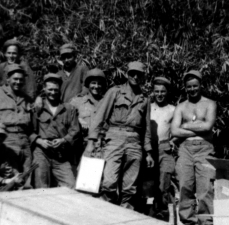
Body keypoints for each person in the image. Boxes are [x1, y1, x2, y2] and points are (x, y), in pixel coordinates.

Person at [86, 61, 154, 208]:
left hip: (135, 141)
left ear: (143, 77)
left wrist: (148, 152)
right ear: (127, 74)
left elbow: (146, 128)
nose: (135, 77)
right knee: (109, 182)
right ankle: (106, 213)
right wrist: (91, 143)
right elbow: (100, 117)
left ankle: (124, 215)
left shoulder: (145, 99)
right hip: (115, 138)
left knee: (130, 187)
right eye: (132, 73)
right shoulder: (114, 92)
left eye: (139, 74)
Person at [171, 70, 217, 225]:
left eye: (195, 86)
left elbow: (208, 127)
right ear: (185, 88)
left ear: (201, 85)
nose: (192, 89)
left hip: (205, 149)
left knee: (205, 187)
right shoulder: (181, 106)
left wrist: (185, 126)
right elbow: (174, 129)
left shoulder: (210, 104)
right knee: (185, 186)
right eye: (189, 87)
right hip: (185, 149)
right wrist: (197, 127)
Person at [31, 74, 81, 189]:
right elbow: (29, 130)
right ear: (44, 89)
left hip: (60, 155)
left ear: (60, 90)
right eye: (50, 89)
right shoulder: (38, 107)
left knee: (71, 186)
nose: (53, 93)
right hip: (42, 153)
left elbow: (75, 130)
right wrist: (40, 141)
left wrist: (63, 140)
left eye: (55, 90)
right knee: (41, 187)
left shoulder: (68, 108)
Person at [150, 76, 177, 216]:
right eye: (157, 91)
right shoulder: (148, 108)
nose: (159, 94)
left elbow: (180, 129)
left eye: (162, 91)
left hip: (165, 150)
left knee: (163, 185)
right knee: (148, 185)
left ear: (167, 92)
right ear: (153, 92)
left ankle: (162, 215)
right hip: (149, 150)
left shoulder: (173, 109)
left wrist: (174, 141)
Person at [69, 68, 108, 158]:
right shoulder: (77, 101)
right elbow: (65, 118)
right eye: (93, 83)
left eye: (99, 83)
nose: (96, 86)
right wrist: (78, 120)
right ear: (88, 84)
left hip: (102, 146)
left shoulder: (107, 102)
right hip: (81, 146)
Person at [0, 122, 26, 187]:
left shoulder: (6, 151)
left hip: (0, 184)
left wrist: (17, 176)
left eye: (1, 136)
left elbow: (13, 168)